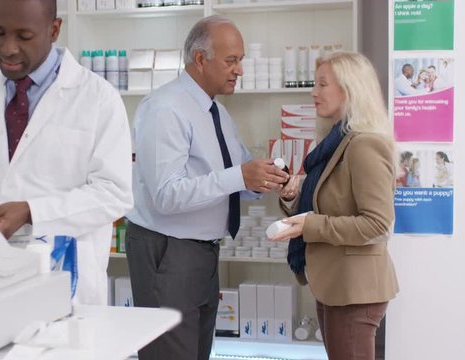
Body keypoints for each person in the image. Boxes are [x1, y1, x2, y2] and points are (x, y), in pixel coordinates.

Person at [0, 0, 133, 305]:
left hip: (64, 282)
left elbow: (114, 194)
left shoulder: (98, 99)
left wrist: (33, 213)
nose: (8, 48)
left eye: (24, 36)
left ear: (54, 30)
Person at [125, 15, 289, 360]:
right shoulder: (165, 109)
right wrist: (240, 177)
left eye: (241, 60)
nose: (239, 70)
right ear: (200, 59)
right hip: (168, 251)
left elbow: (234, 178)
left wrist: (264, 179)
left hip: (202, 253)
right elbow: (166, 195)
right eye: (232, 60)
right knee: (168, 355)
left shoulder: (218, 113)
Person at [271, 51, 399, 360]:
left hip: (355, 291)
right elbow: (327, 201)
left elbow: (378, 225)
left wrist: (311, 225)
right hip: (336, 285)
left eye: (322, 84)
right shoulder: (335, 143)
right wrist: (292, 194)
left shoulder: (364, 144)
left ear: (349, 88)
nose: (313, 92)